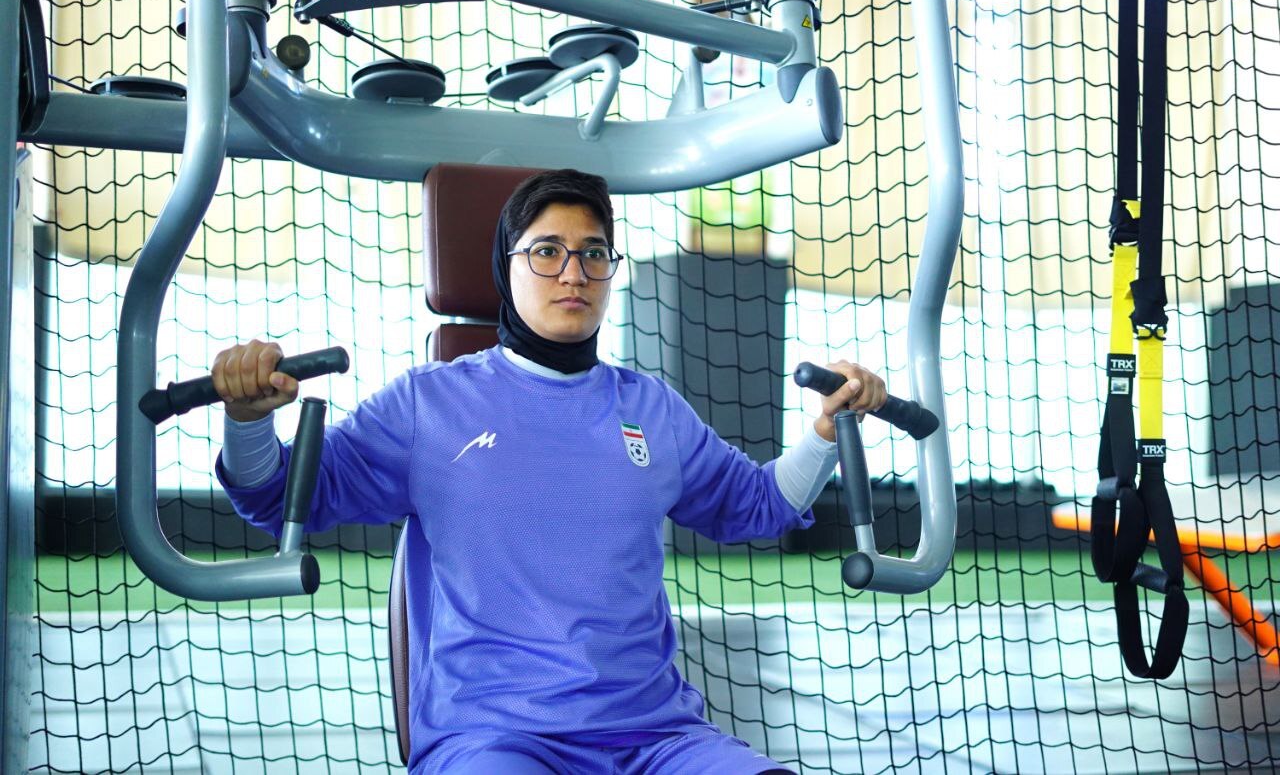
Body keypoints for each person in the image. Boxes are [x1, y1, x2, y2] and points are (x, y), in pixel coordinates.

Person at [213, 169, 886, 775]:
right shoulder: (429, 404)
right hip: (493, 737)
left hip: (658, 737)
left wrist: (828, 431)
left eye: (593, 253)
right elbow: (281, 497)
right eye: (546, 251)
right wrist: (247, 419)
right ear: (507, 267)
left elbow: (759, 504)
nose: (573, 273)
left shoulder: (651, 408)